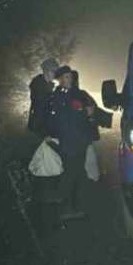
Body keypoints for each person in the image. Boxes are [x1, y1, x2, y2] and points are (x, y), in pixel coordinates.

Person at [46, 66, 95, 221]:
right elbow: (69, 118)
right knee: (71, 173)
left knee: (76, 172)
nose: (69, 80)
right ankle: (65, 207)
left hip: (76, 140)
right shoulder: (62, 96)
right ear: (60, 80)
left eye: (69, 77)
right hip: (71, 141)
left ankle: (73, 205)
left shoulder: (70, 95)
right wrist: (85, 112)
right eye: (65, 77)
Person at [27, 58, 59, 136]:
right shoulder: (38, 85)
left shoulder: (47, 86)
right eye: (53, 71)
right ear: (46, 71)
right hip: (38, 127)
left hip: (43, 126)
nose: (55, 75)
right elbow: (41, 106)